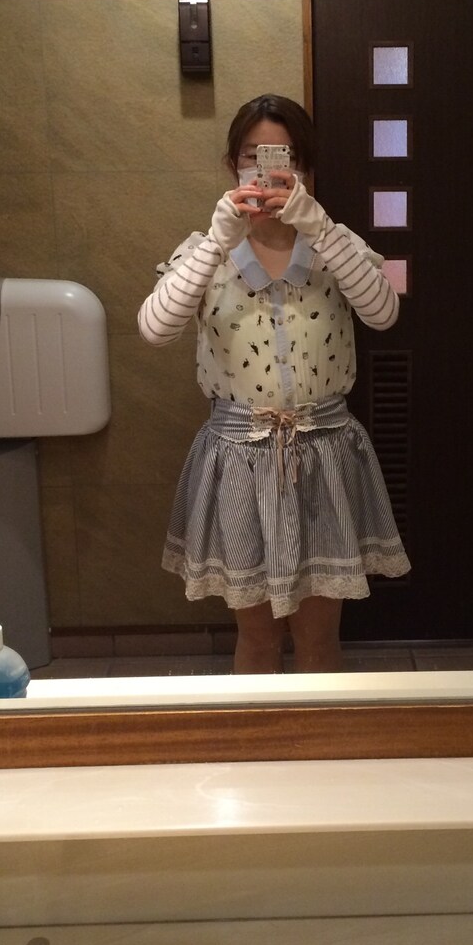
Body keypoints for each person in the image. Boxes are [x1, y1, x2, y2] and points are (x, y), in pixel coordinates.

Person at [138, 94, 410, 674]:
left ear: (303, 168)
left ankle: (317, 736)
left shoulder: (335, 246)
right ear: (232, 165)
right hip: (238, 460)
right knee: (257, 639)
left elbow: (384, 313)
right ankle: (259, 733)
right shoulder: (205, 251)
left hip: (324, 456)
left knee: (320, 640)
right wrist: (218, 239)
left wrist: (319, 226)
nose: (265, 171)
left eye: (282, 157)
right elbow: (155, 329)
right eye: (250, 156)